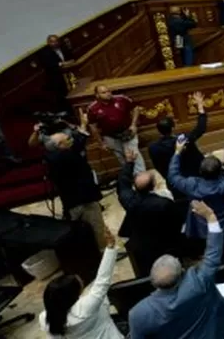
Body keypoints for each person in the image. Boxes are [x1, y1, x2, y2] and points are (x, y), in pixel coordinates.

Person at [128, 201, 224, 337]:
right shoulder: (199, 283)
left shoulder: (138, 313)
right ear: (182, 271)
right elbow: (213, 253)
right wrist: (210, 217)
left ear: (152, 282)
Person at [168, 132, 224, 258]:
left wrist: (177, 152)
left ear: (200, 172)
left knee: (220, 259)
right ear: (222, 170)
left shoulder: (192, 185)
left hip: (210, 233)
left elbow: (173, 176)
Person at [40, 225, 121, 339]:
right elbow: (103, 279)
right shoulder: (87, 307)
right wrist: (110, 247)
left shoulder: (45, 319)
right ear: (73, 294)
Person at [117, 148, 185, 277]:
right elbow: (177, 221)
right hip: (164, 242)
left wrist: (129, 163)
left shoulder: (129, 200)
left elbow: (123, 183)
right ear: (154, 184)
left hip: (140, 242)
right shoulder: (164, 202)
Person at [43, 109, 106, 249]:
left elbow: (77, 144)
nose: (71, 140)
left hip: (70, 201)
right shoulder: (68, 157)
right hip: (84, 199)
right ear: (60, 145)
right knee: (96, 226)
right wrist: (83, 125)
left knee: (80, 229)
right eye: (68, 139)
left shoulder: (51, 157)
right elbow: (79, 144)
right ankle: (102, 251)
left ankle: (90, 251)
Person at [150, 91, 207, 182]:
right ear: (173, 128)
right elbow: (201, 128)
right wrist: (200, 105)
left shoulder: (153, 148)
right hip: (196, 177)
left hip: (176, 180)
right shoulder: (184, 139)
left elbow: (159, 167)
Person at [87, 84, 144, 172]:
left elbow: (136, 108)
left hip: (127, 132)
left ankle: (142, 178)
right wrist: (101, 143)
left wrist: (133, 125)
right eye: (104, 92)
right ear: (97, 95)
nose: (108, 94)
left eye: (109, 91)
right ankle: (130, 179)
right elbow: (93, 127)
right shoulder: (93, 108)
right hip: (111, 137)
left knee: (134, 155)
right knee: (121, 158)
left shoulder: (121, 99)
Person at [39, 34, 75, 112]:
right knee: (62, 95)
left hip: (69, 74)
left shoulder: (63, 48)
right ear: (48, 43)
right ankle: (67, 110)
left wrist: (69, 61)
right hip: (56, 78)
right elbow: (49, 65)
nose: (55, 43)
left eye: (56, 41)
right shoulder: (45, 53)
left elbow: (72, 58)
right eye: (52, 42)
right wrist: (61, 64)